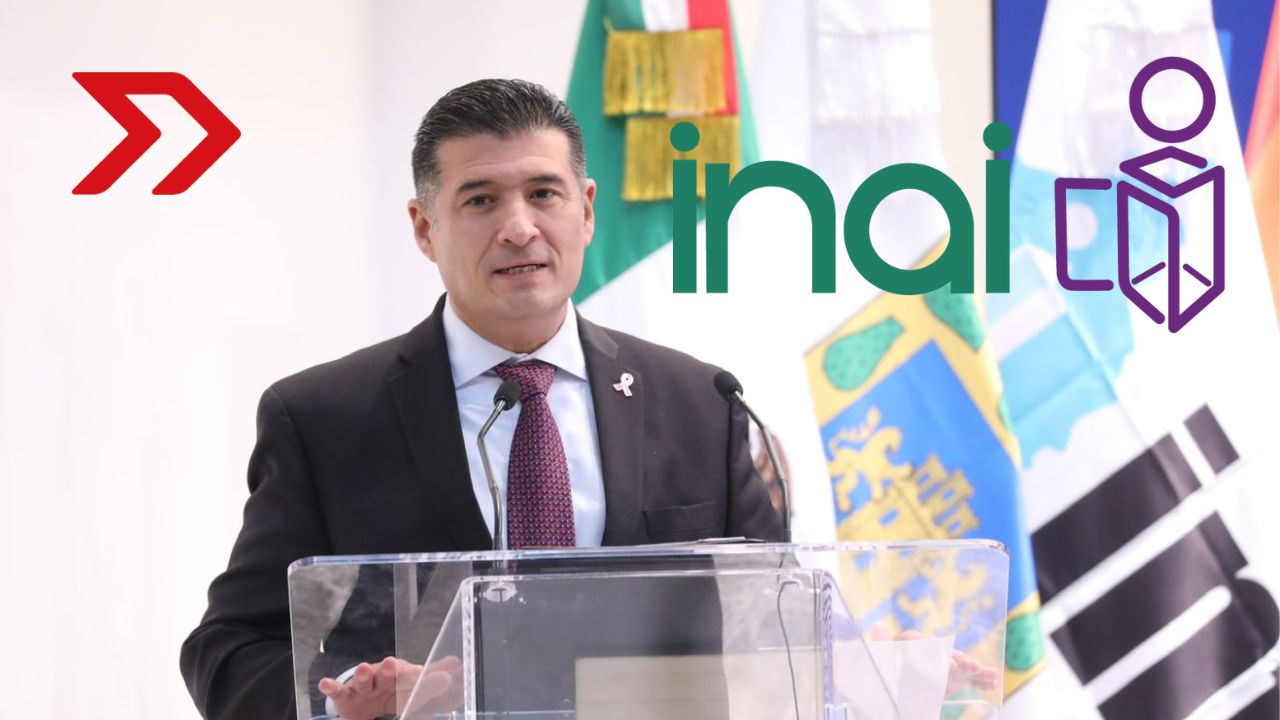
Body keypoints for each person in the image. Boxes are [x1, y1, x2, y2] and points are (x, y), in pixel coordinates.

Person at [179, 78, 783, 720]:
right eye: (481, 200)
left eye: (543, 194)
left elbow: (779, 625)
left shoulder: (700, 404)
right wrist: (346, 700)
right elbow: (230, 650)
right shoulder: (324, 418)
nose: (518, 229)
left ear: (586, 211)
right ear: (424, 228)